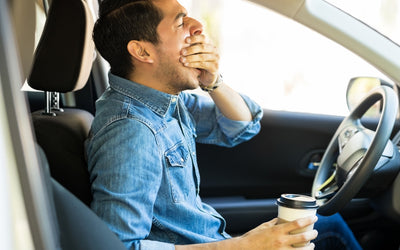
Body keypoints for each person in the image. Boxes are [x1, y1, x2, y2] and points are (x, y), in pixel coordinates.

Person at [87, 0, 362, 249]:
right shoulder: (131, 130)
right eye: (181, 22)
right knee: (331, 232)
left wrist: (213, 82)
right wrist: (243, 246)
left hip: (214, 241)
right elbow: (118, 246)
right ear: (142, 51)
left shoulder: (167, 103)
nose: (198, 27)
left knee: (328, 224)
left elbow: (240, 126)